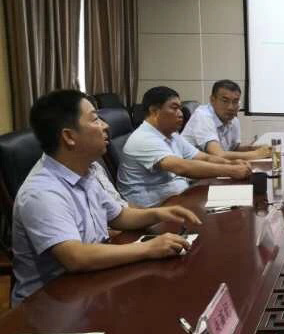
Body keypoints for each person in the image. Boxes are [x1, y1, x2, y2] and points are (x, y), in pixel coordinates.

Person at [12, 90, 201, 306]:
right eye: (95, 119)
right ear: (69, 137)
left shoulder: (89, 168)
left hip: (93, 282)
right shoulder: (41, 192)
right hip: (50, 304)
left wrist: (160, 213)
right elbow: (75, 257)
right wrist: (149, 248)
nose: (105, 125)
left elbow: (119, 216)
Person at [117, 86, 252, 207]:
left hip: (177, 197)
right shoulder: (144, 138)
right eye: (174, 108)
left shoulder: (172, 135)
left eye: (180, 108)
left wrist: (230, 163)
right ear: (154, 111)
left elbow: (203, 157)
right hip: (153, 208)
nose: (181, 114)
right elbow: (182, 167)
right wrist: (230, 170)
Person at [181, 80, 271, 160]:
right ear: (212, 100)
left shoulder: (233, 120)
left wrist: (253, 149)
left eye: (235, 102)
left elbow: (233, 150)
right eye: (225, 101)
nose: (231, 107)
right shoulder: (203, 116)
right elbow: (217, 154)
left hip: (210, 167)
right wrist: (256, 154)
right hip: (187, 170)